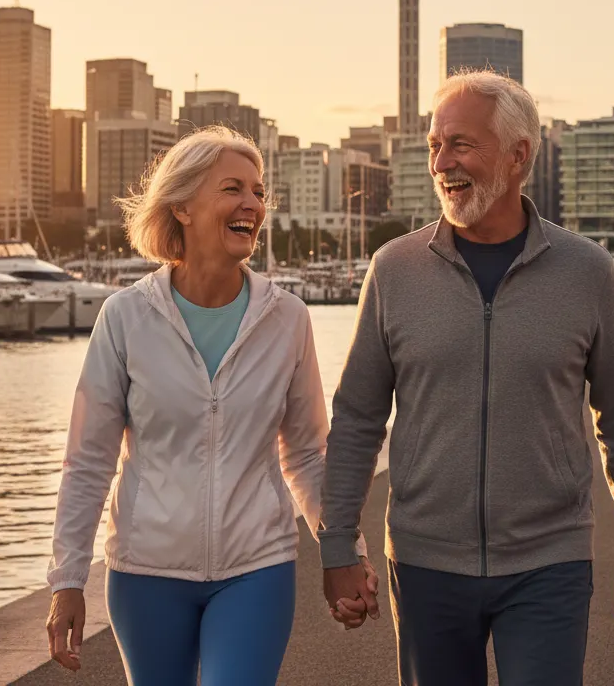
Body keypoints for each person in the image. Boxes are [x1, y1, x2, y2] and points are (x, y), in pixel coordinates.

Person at [318, 72, 614, 686]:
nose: (441, 163)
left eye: (460, 144)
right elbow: (357, 419)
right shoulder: (394, 270)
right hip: (425, 563)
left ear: (518, 154)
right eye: (434, 145)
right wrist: (338, 544)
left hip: (550, 560)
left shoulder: (586, 272)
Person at [44, 128, 375, 685]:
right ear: (182, 207)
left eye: (258, 192)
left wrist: (345, 550)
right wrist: (67, 580)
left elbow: (306, 455)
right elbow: (89, 459)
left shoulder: (287, 318)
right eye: (232, 189)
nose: (252, 204)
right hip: (146, 572)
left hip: (257, 567)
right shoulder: (125, 318)